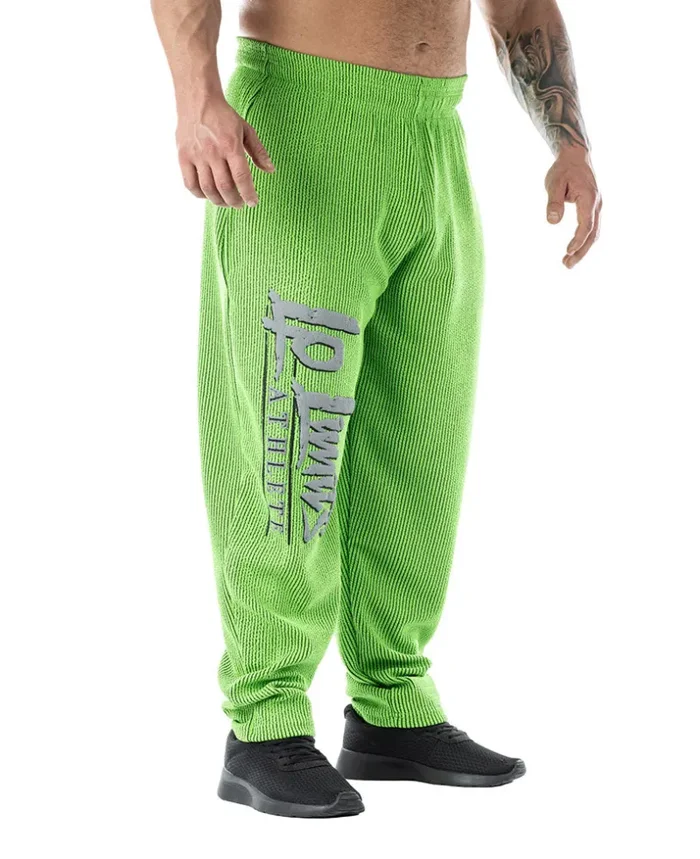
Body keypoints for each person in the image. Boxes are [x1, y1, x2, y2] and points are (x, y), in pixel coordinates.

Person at [152, 0, 600, 818]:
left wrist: (569, 141)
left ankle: (392, 704)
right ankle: (265, 720)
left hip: (433, 138)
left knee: (420, 440)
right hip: (302, 123)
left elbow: (519, 6)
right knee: (292, 433)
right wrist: (196, 97)